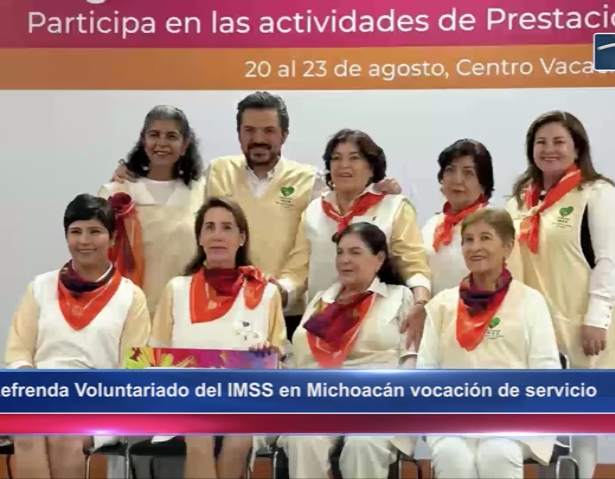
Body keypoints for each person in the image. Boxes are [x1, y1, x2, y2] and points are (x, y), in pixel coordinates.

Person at [112, 92, 402, 342]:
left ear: (284, 135)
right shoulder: (217, 171)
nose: (258, 139)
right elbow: (174, 196)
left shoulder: (309, 180)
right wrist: (131, 176)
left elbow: (342, 212)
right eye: (249, 130)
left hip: (287, 310)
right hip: (221, 308)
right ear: (238, 133)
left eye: (269, 131)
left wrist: (378, 188)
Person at [506, 111, 615, 479]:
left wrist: (597, 318)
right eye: (541, 142)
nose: (549, 149)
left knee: (581, 417)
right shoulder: (521, 200)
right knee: (542, 418)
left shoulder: (596, 193)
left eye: (559, 141)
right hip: (532, 324)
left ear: (577, 148)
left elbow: (609, 260)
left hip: (579, 322)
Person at [1, 194, 151, 478]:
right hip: (39, 395)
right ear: (66, 237)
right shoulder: (39, 287)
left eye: (94, 231)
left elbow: (133, 372)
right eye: (76, 232)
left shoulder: (131, 297)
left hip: (100, 402)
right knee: (27, 432)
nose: (84, 241)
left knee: (66, 436)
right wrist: (37, 388)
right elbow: (18, 351)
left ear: (112, 237)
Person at [99, 104, 205, 479]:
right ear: (143, 140)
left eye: (172, 136)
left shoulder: (202, 192)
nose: (162, 143)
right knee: (130, 430)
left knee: (179, 433)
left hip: (184, 327)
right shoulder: (116, 193)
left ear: (186, 143)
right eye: (154, 134)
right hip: (131, 326)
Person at [417, 208, 561, 479]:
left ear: (507, 246)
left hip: (514, 416)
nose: (475, 247)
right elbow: (426, 370)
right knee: (451, 456)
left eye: (485, 238)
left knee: (497, 454)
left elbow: (546, 371)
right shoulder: (442, 304)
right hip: (453, 416)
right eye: (468, 240)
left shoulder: (530, 301)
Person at [150, 197, 286, 479]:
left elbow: (278, 358)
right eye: (209, 227)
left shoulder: (266, 293)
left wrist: (267, 353)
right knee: (200, 431)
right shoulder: (176, 289)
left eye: (226, 227)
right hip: (185, 396)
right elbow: (155, 355)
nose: (217, 235)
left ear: (241, 238)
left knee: (238, 439)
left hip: (246, 398)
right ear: (199, 238)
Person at [280, 222, 416, 478]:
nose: (344, 260)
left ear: (379, 259)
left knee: (362, 443)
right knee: (303, 439)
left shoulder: (399, 297)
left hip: (377, 403)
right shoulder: (322, 300)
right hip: (319, 400)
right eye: (340, 252)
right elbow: (297, 357)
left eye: (355, 252)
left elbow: (411, 358)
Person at [278, 129, 431, 349]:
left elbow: (413, 264)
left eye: (354, 158)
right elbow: (297, 270)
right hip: (323, 326)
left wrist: (421, 302)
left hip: (377, 329)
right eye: (336, 158)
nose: (344, 165)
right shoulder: (314, 211)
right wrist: (277, 293)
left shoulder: (394, 207)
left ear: (372, 167)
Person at [421, 139, 523, 295]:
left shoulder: (498, 224)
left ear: (483, 184)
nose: (457, 180)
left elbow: (514, 287)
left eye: (468, 173)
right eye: (450, 170)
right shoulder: (431, 225)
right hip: (437, 310)